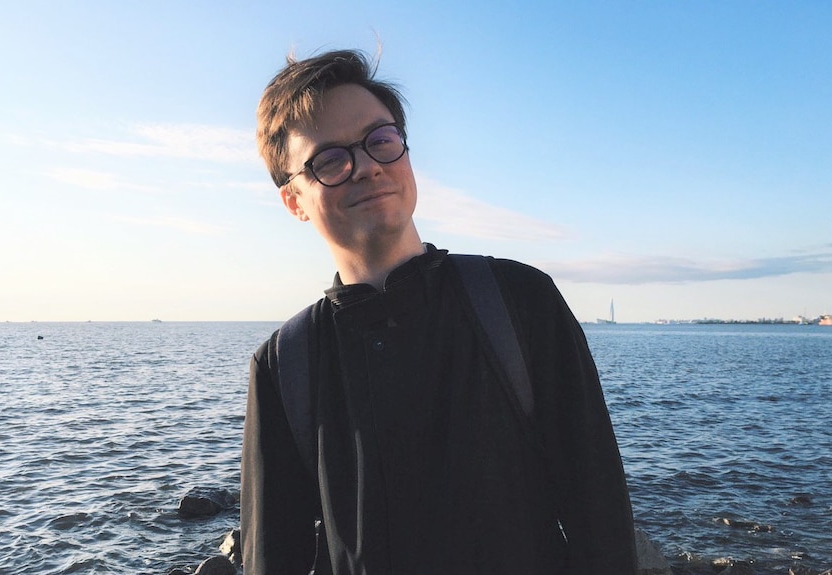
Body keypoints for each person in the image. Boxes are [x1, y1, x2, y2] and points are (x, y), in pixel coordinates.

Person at [241, 48, 637, 575]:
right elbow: (273, 555)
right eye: (329, 160)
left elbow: (599, 509)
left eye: (380, 141)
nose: (366, 167)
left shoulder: (518, 300)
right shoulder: (285, 364)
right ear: (294, 200)